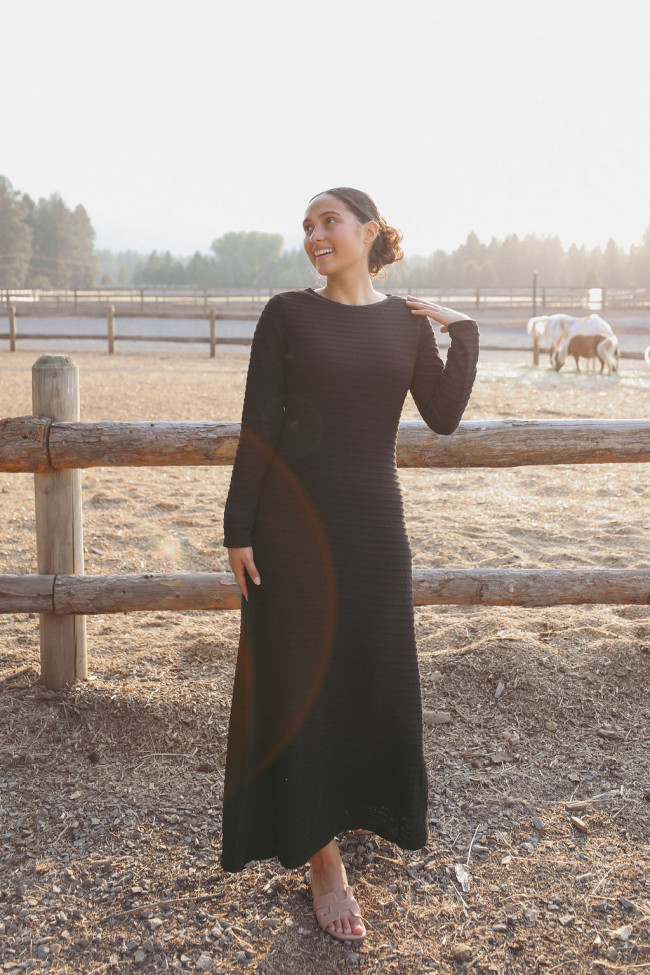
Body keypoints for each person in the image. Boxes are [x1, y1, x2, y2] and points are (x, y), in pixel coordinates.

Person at [222, 187, 480, 941]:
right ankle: (323, 859)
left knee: (371, 670)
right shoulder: (286, 314)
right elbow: (259, 423)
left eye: (328, 221)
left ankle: (354, 806)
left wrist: (463, 333)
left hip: (375, 526)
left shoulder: (405, 325)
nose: (314, 235)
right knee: (302, 680)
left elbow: (443, 415)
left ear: (369, 232)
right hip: (290, 530)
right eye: (307, 226)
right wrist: (238, 528)